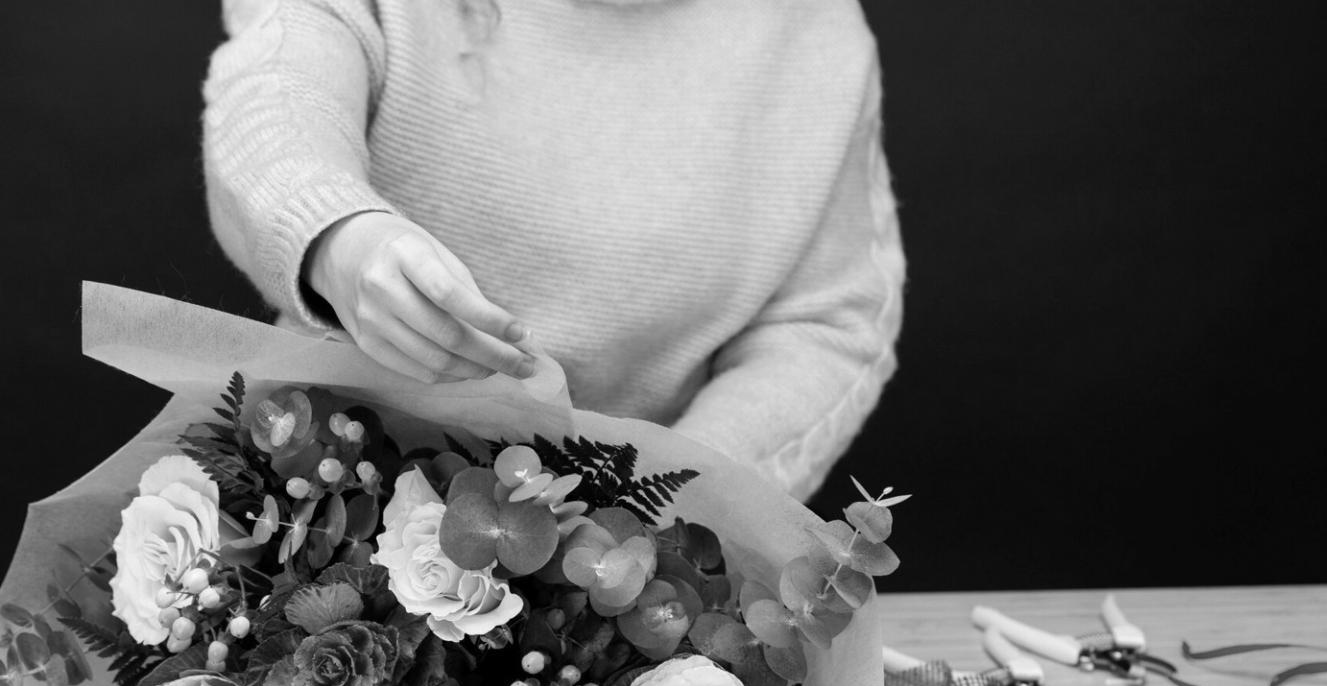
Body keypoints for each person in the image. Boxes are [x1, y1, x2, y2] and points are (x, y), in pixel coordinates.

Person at [202, 0, 905, 502]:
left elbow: (828, 320)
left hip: (637, 589)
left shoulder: (817, 32)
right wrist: (339, 236)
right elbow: (275, 95)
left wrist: (680, 490)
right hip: (325, 511)